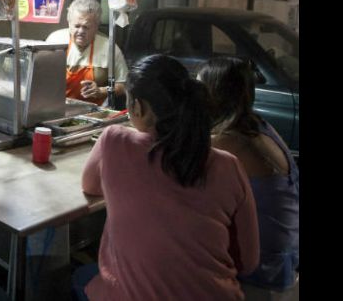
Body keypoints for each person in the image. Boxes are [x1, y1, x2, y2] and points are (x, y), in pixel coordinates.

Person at [76, 54, 259, 301]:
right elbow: (248, 263)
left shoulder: (114, 141)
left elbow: (89, 185)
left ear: (138, 107)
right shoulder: (228, 165)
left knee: (78, 277)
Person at [198, 57, 299, 297]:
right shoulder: (258, 126)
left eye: (199, 87)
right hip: (287, 252)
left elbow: (171, 169)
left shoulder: (227, 141)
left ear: (213, 94)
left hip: (266, 266)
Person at [46, 0, 127, 106]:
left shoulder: (109, 48)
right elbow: (41, 77)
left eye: (86, 27)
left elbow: (124, 85)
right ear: (69, 23)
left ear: (97, 26)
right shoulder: (55, 40)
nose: (80, 31)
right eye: (76, 26)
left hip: (94, 110)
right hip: (58, 107)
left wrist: (101, 91)